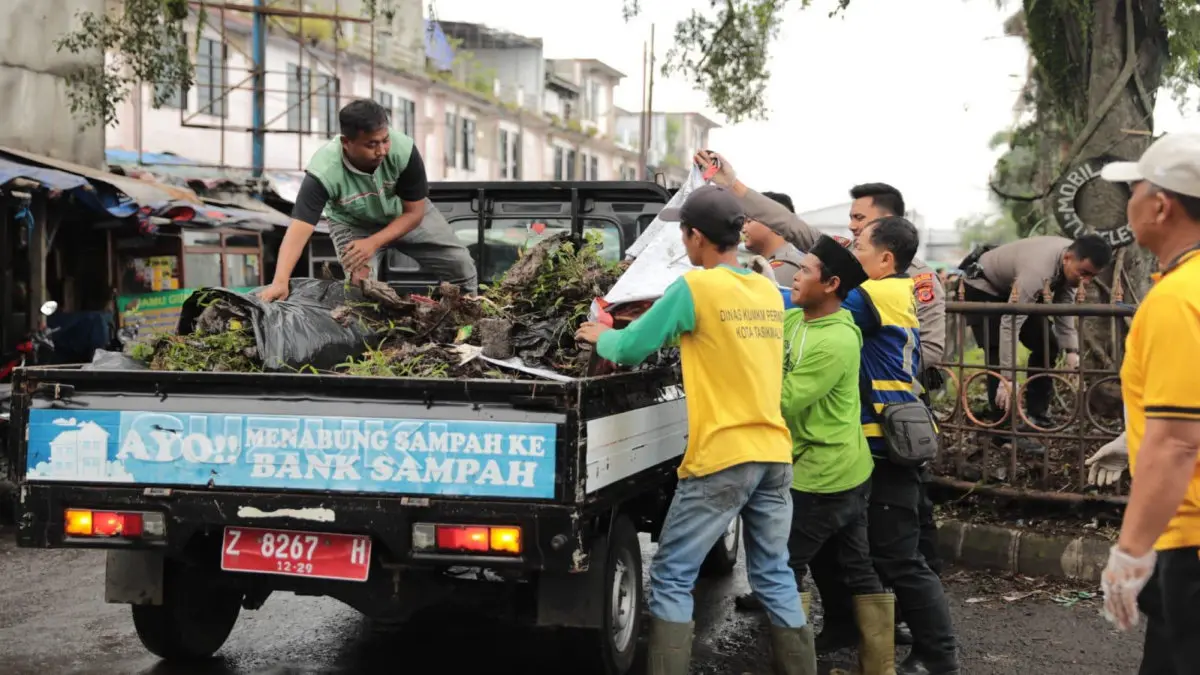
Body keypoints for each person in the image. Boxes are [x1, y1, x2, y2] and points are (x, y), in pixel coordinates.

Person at [575, 184, 814, 675]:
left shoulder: (694, 288)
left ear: (696, 236)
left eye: (683, 233)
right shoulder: (766, 291)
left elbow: (632, 348)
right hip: (772, 452)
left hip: (723, 456)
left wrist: (603, 335)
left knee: (672, 574)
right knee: (774, 574)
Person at [733, 235, 897, 675]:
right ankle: (880, 667)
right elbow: (768, 318)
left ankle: (793, 665)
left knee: (782, 565)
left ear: (832, 284)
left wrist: (735, 378)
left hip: (823, 474)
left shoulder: (837, 340)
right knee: (856, 567)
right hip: (843, 467)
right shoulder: (797, 320)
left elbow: (784, 399)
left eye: (804, 271)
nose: (795, 277)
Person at [820, 217, 961, 675]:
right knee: (871, 549)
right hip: (889, 438)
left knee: (900, 557)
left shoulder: (874, 295)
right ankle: (854, 629)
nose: (852, 253)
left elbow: (820, 306)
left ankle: (938, 655)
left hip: (886, 445)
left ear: (885, 258)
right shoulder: (894, 290)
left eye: (859, 246)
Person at [1095, 132, 1200, 674]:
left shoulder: (1176, 299)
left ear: (1161, 205)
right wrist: (1133, 435)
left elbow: (1178, 442)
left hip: (1191, 540)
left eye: (1133, 189)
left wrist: (1130, 551)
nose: (1128, 202)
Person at [260, 99, 477, 302]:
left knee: (461, 264)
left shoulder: (404, 151)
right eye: (371, 144)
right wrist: (280, 282)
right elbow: (300, 228)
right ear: (346, 143)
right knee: (360, 285)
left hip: (404, 215)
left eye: (385, 140)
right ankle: (371, 326)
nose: (381, 151)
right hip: (353, 223)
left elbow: (415, 213)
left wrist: (374, 242)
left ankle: (468, 317)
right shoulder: (324, 171)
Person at [958, 234, 1112, 431]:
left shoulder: (1070, 264)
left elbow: (1064, 306)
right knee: (997, 354)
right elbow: (1010, 323)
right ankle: (1003, 431)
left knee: (1047, 345)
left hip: (1014, 287)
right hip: (984, 286)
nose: (1087, 281)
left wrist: (1071, 351)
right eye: (1084, 273)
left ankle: (1036, 415)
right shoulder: (1039, 270)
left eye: (1092, 276)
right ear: (1068, 258)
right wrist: (1008, 378)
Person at [744, 215, 805, 286]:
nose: (743, 230)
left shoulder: (783, 265)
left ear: (773, 223)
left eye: (749, 221)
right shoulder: (791, 256)